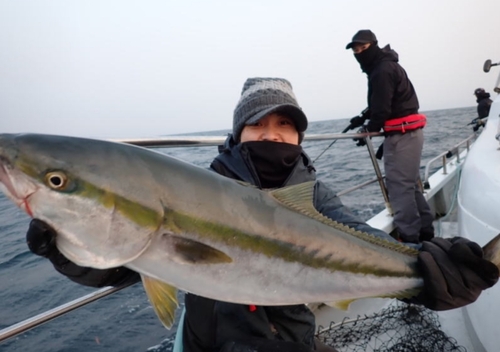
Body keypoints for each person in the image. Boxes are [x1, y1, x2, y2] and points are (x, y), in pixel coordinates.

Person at [26, 78, 499, 352]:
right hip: (207, 344)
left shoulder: (314, 194)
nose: (272, 134)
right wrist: (67, 248)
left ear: (298, 138)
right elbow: (122, 263)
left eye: (286, 125)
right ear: (238, 133)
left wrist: (430, 272)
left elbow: (356, 235)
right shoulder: (194, 191)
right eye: (259, 123)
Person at [346, 29, 434, 244]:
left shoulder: (381, 70)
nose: (359, 53)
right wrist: (363, 117)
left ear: (374, 45)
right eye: (356, 50)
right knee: (410, 185)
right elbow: (388, 101)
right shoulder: (387, 65)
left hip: (402, 136)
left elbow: (383, 108)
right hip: (409, 134)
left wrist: (368, 129)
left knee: (399, 188)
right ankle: (426, 233)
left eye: (363, 48)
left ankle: (410, 240)